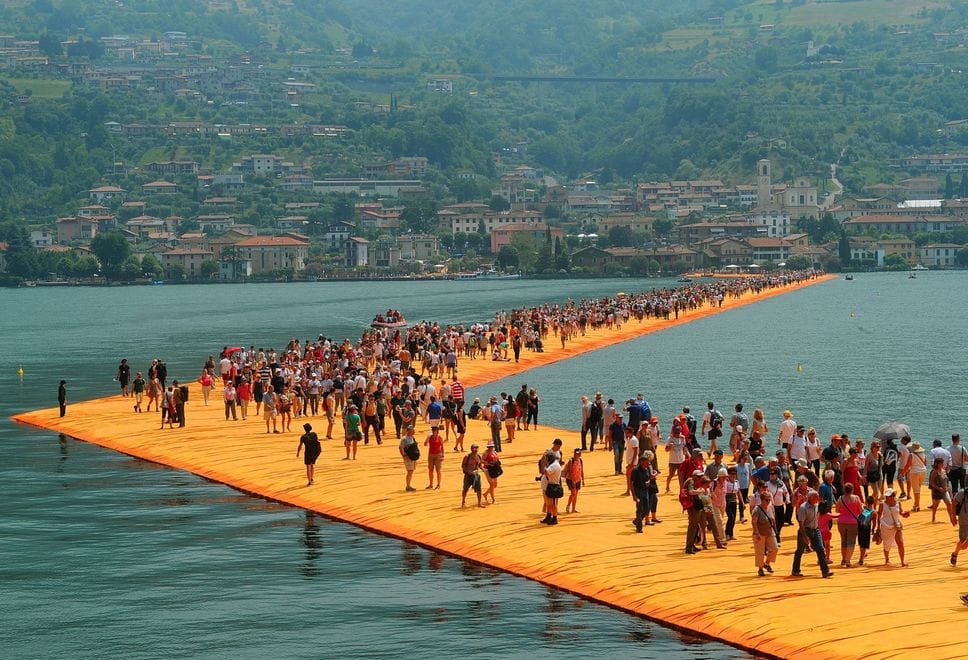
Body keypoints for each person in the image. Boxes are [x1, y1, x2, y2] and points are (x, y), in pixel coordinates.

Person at [792, 490, 833, 578]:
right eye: (816, 497)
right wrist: (805, 536)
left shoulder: (817, 505)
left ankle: (825, 571)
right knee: (800, 551)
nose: (818, 499)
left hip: (815, 529)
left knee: (821, 549)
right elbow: (801, 524)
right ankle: (795, 570)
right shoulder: (803, 508)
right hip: (805, 530)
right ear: (810, 498)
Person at [874, 488, 910, 566]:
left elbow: (901, 512)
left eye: (890, 496)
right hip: (885, 526)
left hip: (896, 526)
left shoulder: (898, 503)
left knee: (900, 543)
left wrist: (904, 514)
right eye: (887, 496)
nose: (888, 498)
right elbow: (879, 516)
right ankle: (887, 559)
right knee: (887, 545)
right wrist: (878, 528)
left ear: (893, 496)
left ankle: (902, 561)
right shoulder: (882, 504)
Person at [751, 489, 778, 576]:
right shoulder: (757, 509)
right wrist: (757, 533)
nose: (768, 501)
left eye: (769, 500)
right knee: (760, 552)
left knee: (774, 548)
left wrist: (775, 530)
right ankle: (760, 568)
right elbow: (754, 522)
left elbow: (773, 519)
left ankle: (767, 563)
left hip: (770, 531)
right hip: (760, 533)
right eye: (766, 500)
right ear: (762, 500)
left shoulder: (770, 508)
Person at [630, 453, 655, 533]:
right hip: (638, 490)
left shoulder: (646, 469)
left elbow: (648, 478)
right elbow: (631, 483)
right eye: (647, 462)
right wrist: (634, 496)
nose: (648, 464)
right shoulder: (635, 470)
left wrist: (648, 481)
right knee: (640, 508)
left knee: (646, 508)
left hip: (645, 490)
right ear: (641, 462)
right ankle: (639, 527)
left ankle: (637, 520)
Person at [540, 451, 564, 525]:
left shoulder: (554, 465)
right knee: (548, 503)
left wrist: (544, 466)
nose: (546, 460)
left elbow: (547, 472)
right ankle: (548, 516)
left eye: (547, 458)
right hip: (549, 486)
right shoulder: (553, 464)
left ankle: (554, 518)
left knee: (552, 504)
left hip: (552, 487)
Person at [929, 457, 953, 523]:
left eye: (943, 462)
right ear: (937, 464)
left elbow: (946, 481)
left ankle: (951, 518)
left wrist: (948, 488)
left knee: (949, 503)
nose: (943, 464)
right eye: (941, 463)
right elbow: (931, 482)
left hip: (945, 491)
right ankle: (933, 517)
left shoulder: (944, 470)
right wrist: (938, 488)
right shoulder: (934, 472)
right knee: (935, 505)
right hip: (937, 491)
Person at [461, 444, 485, 509]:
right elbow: (463, 466)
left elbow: (480, 465)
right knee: (465, 489)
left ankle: (479, 503)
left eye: (476, 448)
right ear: (471, 449)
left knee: (479, 489)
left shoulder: (478, 456)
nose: (475, 450)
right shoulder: (467, 457)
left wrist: (483, 469)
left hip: (476, 476)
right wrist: (468, 471)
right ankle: (463, 502)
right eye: (474, 448)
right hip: (468, 476)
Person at [950, 485, 968, 566]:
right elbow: (954, 502)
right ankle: (955, 553)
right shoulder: (963, 492)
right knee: (963, 545)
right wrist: (953, 517)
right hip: (964, 520)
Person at [563, 447, 585, 513]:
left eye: (579, 453)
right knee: (573, 493)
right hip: (570, 479)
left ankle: (573, 509)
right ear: (574, 453)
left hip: (578, 479)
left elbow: (581, 470)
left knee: (576, 494)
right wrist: (572, 481)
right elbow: (570, 471)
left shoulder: (580, 460)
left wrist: (583, 480)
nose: (578, 455)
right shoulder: (571, 461)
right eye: (577, 453)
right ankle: (568, 506)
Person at [908, 441, 928, 512]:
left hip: (915, 472)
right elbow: (925, 463)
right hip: (923, 471)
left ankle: (917, 506)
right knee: (918, 488)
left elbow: (908, 465)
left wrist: (902, 473)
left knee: (916, 490)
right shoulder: (923, 454)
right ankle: (915, 504)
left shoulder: (911, 455)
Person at [399, 426, 419, 492]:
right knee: (410, 471)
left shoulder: (412, 437)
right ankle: (408, 486)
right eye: (412, 430)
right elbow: (400, 447)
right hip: (408, 457)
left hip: (413, 457)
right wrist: (403, 455)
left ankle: (409, 485)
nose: (413, 431)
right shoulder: (404, 438)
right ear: (408, 431)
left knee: (411, 471)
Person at [425, 425, 444, 489]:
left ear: (437, 431)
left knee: (438, 470)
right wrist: (427, 438)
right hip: (431, 455)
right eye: (433, 431)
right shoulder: (430, 437)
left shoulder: (440, 437)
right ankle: (431, 484)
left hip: (438, 455)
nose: (434, 432)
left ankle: (438, 484)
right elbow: (425, 444)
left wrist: (442, 455)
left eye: (435, 430)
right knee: (430, 470)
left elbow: (442, 447)